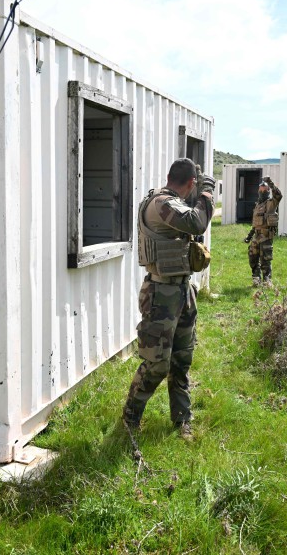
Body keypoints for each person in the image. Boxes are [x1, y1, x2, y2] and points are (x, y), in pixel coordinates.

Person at [122, 158, 215, 441]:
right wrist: (208, 193)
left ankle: (182, 419)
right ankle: (130, 417)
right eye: (195, 186)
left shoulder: (175, 202)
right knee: (157, 363)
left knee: (181, 360)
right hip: (161, 294)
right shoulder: (162, 203)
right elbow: (197, 221)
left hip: (182, 291)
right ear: (190, 184)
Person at [243, 177, 282, 285]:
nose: (262, 192)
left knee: (265, 260)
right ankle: (256, 278)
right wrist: (249, 236)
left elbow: (278, 195)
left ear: (268, 191)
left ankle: (267, 281)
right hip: (256, 237)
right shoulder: (257, 205)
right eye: (260, 190)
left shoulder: (271, 204)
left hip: (266, 237)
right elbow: (255, 224)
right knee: (253, 258)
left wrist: (270, 183)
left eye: (264, 190)